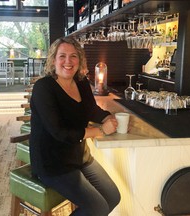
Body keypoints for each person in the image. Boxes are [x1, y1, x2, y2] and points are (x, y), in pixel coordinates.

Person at [29, 37, 121, 216]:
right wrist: (100, 130)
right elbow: (59, 132)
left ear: (80, 60)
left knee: (113, 197)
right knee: (97, 208)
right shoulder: (43, 88)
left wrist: (109, 117)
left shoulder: (81, 82)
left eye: (73, 56)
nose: (68, 62)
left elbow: (92, 110)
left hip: (79, 157)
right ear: (53, 60)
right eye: (62, 56)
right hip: (53, 163)